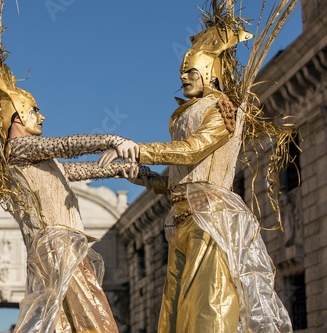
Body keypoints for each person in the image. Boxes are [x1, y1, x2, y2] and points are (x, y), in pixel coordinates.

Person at [100, 18, 295, 333]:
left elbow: (193, 150)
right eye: (181, 72)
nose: (183, 77)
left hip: (211, 221)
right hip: (182, 223)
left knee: (208, 308)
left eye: (191, 72)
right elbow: (180, 180)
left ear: (211, 73)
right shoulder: (188, 111)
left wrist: (138, 149)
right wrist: (142, 176)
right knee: (178, 316)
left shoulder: (222, 108)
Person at [0, 66, 151, 333]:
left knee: (69, 323)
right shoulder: (18, 149)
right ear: (16, 118)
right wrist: (112, 139)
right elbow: (65, 145)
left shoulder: (38, 162)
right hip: (58, 250)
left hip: (64, 250)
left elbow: (80, 170)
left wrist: (124, 169)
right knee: (94, 323)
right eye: (35, 111)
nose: (42, 117)